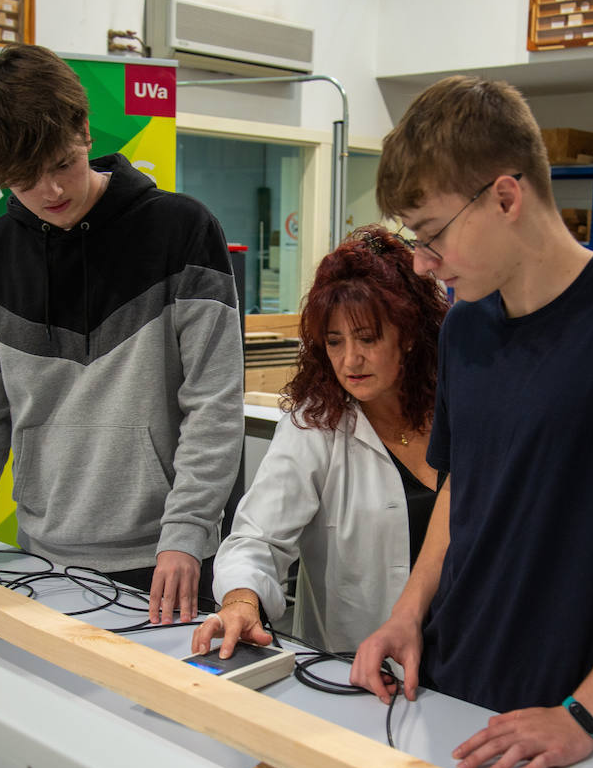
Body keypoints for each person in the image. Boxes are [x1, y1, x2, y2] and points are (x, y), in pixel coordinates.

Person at [350, 76, 593, 768]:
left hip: (582, 718)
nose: (420, 261)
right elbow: (457, 489)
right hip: (453, 686)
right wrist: (407, 612)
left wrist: (583, 713)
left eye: (433, 234)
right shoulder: (465, 325)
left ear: (505, 196)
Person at [0, 44, 243, 625]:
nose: (51, 191)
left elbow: (213, 405)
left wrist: (186, 534)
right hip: (44, 555)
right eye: (23, 179)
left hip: (170, 560)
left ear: (84, 130)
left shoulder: (182, 230)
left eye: (61, 164)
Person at [191, 226, 449, 659]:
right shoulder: (318, 424)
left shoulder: (458, 406)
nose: (350, 360)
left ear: (407, 335)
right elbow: (258, 538)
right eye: (335, 341)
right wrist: (240, 601)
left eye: (367, 338)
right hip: (360, 666)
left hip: (464, 658)